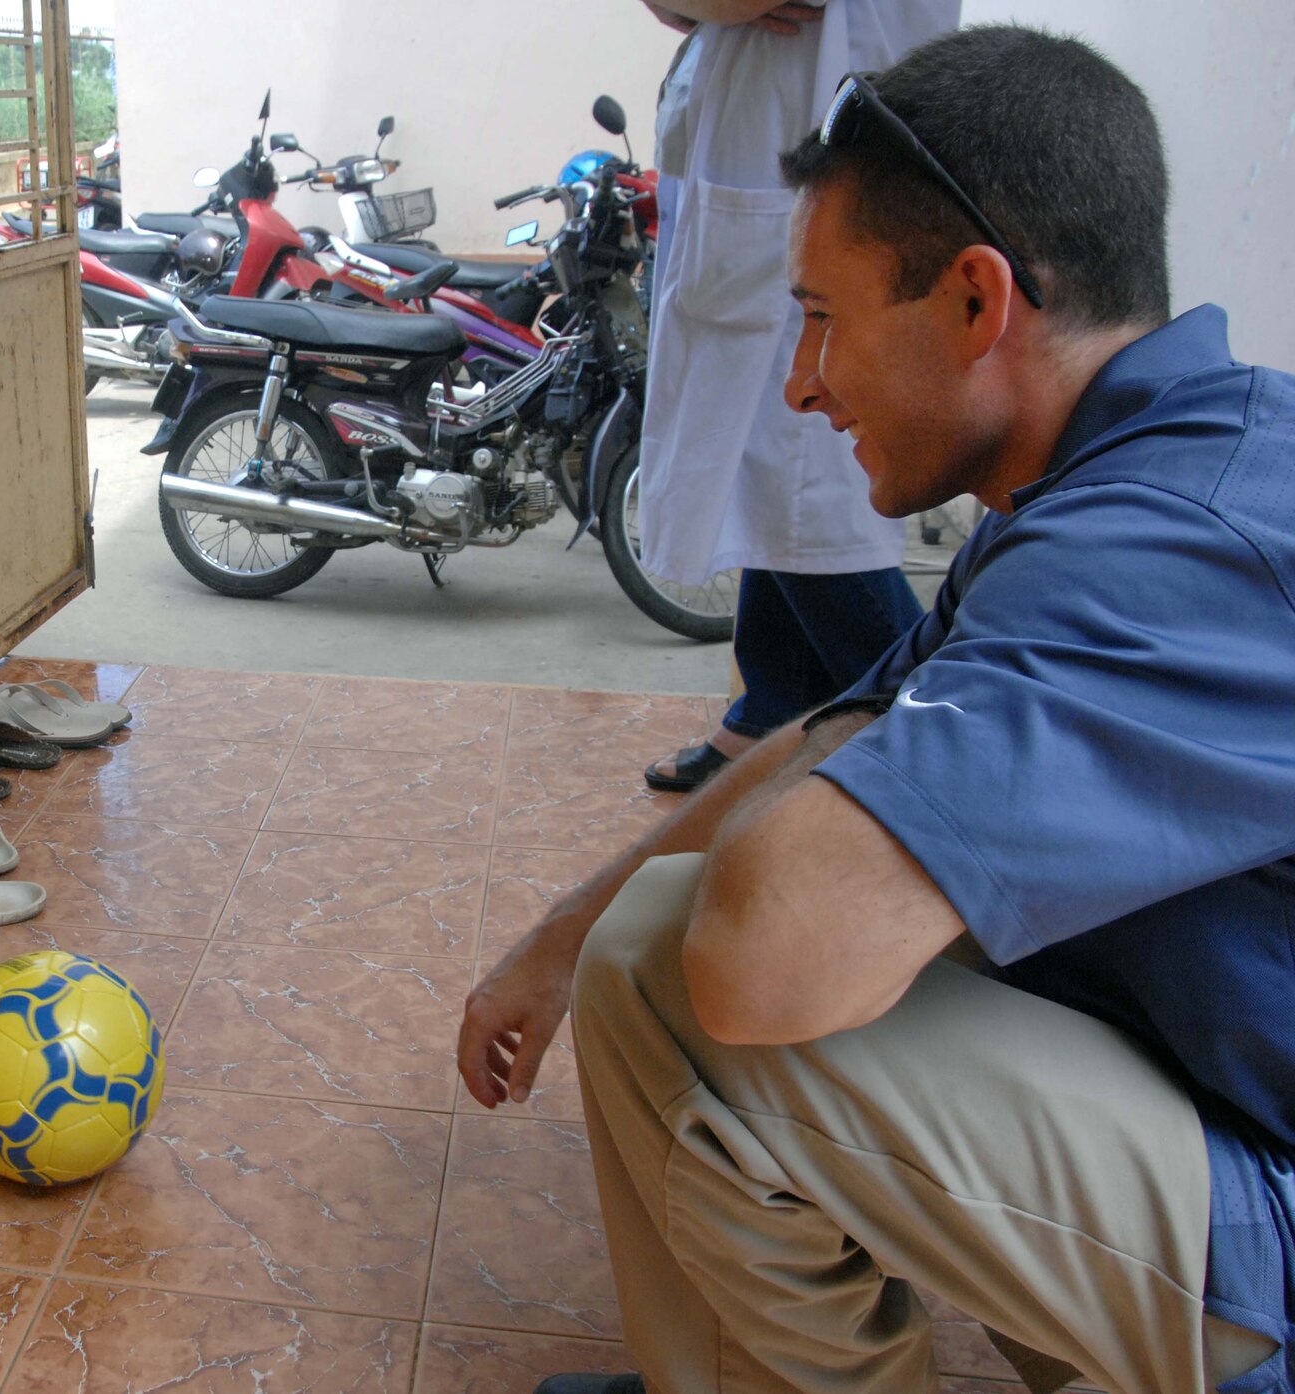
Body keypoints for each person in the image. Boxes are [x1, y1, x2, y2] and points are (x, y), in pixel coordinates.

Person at [459, 25, 1293, 1394]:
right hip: (1233, 1093)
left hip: (1276, 1209)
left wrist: (626, 936)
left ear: (979, 301)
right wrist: (560, 929)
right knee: (686, 926)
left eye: (823, 316)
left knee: (679, 977)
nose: (800, 380)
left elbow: (762, 955)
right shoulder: (1143, 468)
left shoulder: (1166, 555)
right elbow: (844, 725)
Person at [633, 0, 957, 794]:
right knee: (765, 475)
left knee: (809, 493)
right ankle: (769, 712)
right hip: (762, 154)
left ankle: (935, 754)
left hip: (821, 145)